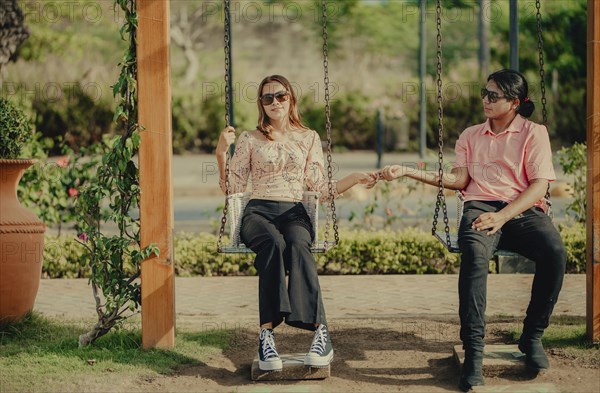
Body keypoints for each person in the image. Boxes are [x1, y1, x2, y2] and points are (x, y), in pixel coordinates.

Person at [380, 69, 566, 391]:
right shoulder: (470, 135)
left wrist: (504, 216)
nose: (485, 99)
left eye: (493, 95)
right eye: (484, 92)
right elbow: (458, 181)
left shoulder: (534, 133)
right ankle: (474, 353)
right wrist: (408, 172)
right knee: (475, 259)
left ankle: (532, 336)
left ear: (515, 102)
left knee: (555, 253)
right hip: (480, 207)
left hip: (521, 209)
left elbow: (538, 186)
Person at [216, 74, 378, 372]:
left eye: (280, 96)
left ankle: (319, 332)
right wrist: (220, 153)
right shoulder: (250, 139)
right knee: (272, 244)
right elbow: (233, 188)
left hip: (294, 210)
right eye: (268, 98)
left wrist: (353, 178)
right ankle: (267, 336)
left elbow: (318, 188)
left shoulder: (309, 137)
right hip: (258, 211)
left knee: (299, 244)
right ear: (261, 105)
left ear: (291, 99)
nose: (275, 102)